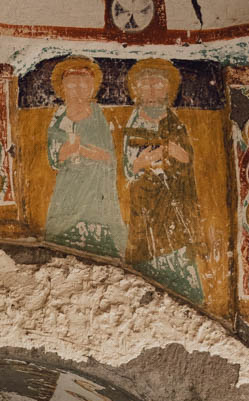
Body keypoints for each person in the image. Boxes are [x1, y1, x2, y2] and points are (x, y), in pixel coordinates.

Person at [121, 57, 204, 303]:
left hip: (175, 199)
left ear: (168, 89)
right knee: (147, 249)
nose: (151, 90)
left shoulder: (174, 122)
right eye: (145, 84)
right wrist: (144, 162)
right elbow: (129, 166)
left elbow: (186, 158)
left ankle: (186, 298)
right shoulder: (134, 121)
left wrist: (168, 149)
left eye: (157, 84)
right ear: (136, 90)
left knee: (178, 246)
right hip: (145, 200)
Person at [44, 57, 126, 260]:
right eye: (72, 83)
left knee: (99, 235)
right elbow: (54, 158)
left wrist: (82, 150)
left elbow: (109, 156)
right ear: (63, 87)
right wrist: (67, 150)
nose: (78, 88)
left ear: (92, 87)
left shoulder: (98, 115)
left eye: (84, 83)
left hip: (98, 186)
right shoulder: (59, 116)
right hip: (69, 186)